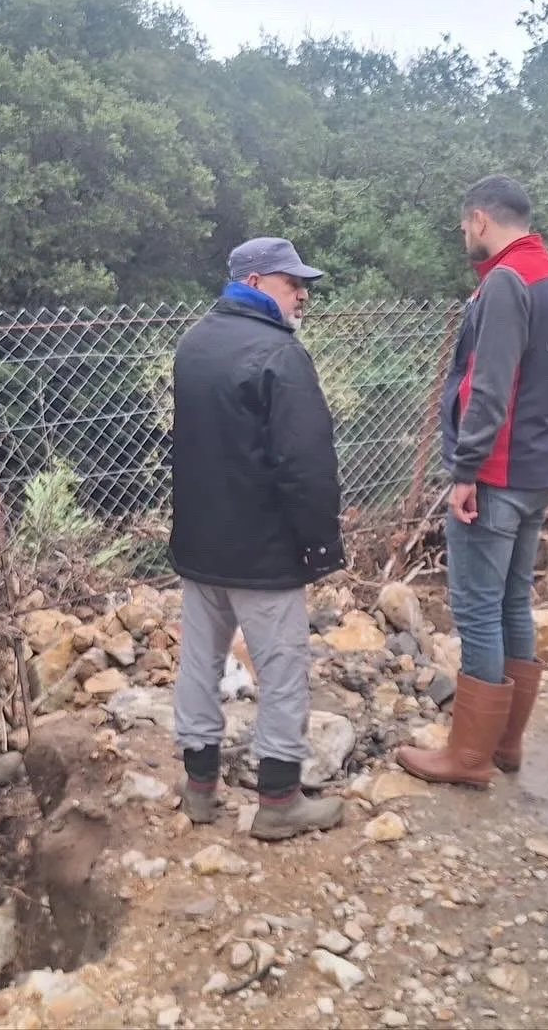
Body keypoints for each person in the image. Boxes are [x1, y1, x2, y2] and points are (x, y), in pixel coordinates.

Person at [397, 175, 548, 788]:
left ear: (480, 220)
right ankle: (506, 746)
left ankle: (468, 758)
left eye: (463, 227)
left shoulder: (506, 283)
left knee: (477, 609)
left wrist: (465, 471)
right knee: (513, 603)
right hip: (539, 467)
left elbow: (490, 383)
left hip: (497, 474)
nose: (464, 238)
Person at [169, 236, 346, 842]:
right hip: (263, 551)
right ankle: (278, 801)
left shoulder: (194, 343)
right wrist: (320, 546)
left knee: (199, 662)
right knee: (283, 669)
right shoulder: (279, 354)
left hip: (199, 543)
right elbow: (306, 464)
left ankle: (198, 790)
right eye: (291, 281)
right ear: (253, 282)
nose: (303, 293)